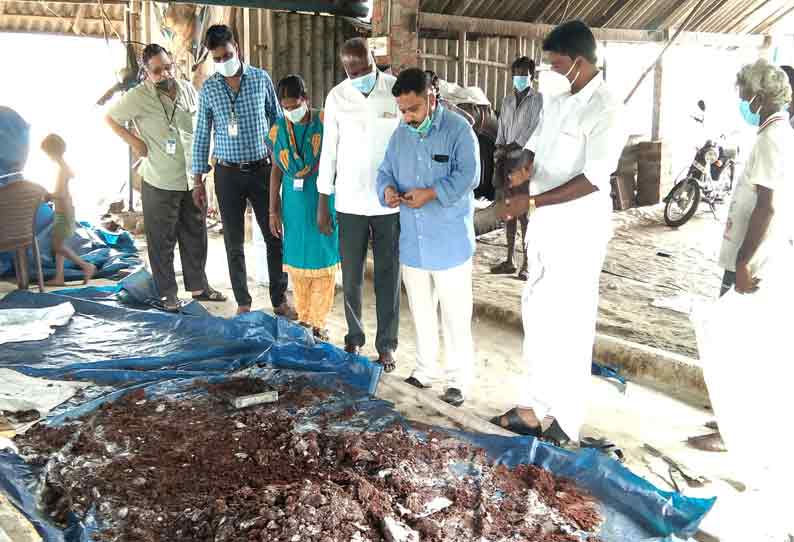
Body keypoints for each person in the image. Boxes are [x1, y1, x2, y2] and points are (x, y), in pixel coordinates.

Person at [490, 21, 625, 444]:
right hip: (546, 228)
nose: (547, 70)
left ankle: (565, 422)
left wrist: (530, 202)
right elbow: (538, 143)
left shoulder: (606, 109)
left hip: (578, 230)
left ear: (580, 62)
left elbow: (593, 178)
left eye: (555, 63)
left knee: (569, 322)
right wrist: (523, 167)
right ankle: (532, 408)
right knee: (538, 315)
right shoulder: (557, 98)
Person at [689, 59, 794, 453]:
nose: (742, 102)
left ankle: (731, 431)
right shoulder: (775, 134)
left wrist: (744, 263)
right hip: (751, 253)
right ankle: (727, 418)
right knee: (736, 338)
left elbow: (766, 207)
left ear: (759, 96)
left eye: (743, 94)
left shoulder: (773, 139)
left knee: (735, 343)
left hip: (754, 258)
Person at [377, 68, 480, 407]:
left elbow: (470, 175)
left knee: (454, 315)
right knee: (421, 310)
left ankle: (457, 380)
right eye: (403, 110)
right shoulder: (399, 134)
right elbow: (384, 172)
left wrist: (432, 193)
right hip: (414, 244)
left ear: (432, 99)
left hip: (449, 243)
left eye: (414, 109)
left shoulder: (458, 130)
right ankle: (424, 371)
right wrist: (388, 190)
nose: (408, 117)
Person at [106, 44, 224, 312]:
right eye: (157, 71)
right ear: (146, 73)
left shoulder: (186, 89)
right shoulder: (137, 97)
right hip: (160, 179)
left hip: (191, 177)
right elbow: (110, 119)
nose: (165, 74)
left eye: (168, 67)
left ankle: (199, 286)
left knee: (196, 234)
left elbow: (198, 126)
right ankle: (168, 294)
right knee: (162, 241)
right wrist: (135, 143)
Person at [192, 25, 295, 318]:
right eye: (217, 58)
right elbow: (202, 134)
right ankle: (243, 302)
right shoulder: (210, 88)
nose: (224, 61)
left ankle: (279, 299)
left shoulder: (260, 79)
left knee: (274, 235)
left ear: (236, 47)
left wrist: (284, 163)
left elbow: (277, 122)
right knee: (233, 241)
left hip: (263, 170)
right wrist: (197, 179)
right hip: (227, 174)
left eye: (227, 54)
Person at [316, 38, 401, 371]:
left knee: (388, 276)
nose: (358, 74)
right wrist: (324, 200)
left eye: (363, 67)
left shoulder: (393, 91)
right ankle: (354, 337)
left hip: (388, 204)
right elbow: (330, 151)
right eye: (351, 69)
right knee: (350, 275)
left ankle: (387, 345)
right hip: (349, 201)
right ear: (344, 67)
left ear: (373, 59)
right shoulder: (338, 96)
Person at [268, 75, 339, 341]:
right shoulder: (279, 129)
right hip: (294, 205)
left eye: (294, 105)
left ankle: (319, 322)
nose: (290, 111)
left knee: (322, 257)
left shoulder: (325, 122)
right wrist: (273, 210)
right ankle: (305, 318)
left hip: (322, 197)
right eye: (285, 107)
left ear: (305, 99)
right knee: (298, 263)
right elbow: (276, 171)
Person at [490, 56, 543, 281]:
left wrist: (511, 146)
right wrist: (499, 147)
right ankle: (510, 259)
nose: (519, 78)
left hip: (523, 161)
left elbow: (532, 130)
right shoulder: (508, 100)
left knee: (524, 214)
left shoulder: (538, 101)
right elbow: (501, 126)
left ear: (532, 76)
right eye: (516, 74)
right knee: (508, 211)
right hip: (505, 160)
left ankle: (527, 263)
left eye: (523, 74)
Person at [40, 134, 96, 285]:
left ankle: (86, 266)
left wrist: (46, 195)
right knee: (59, 245)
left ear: (51, 152)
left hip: (63, 211)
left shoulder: (61, 169)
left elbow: (60, 194)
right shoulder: (64, 167)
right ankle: (59, 277)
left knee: (57, 246)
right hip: (64, 210)